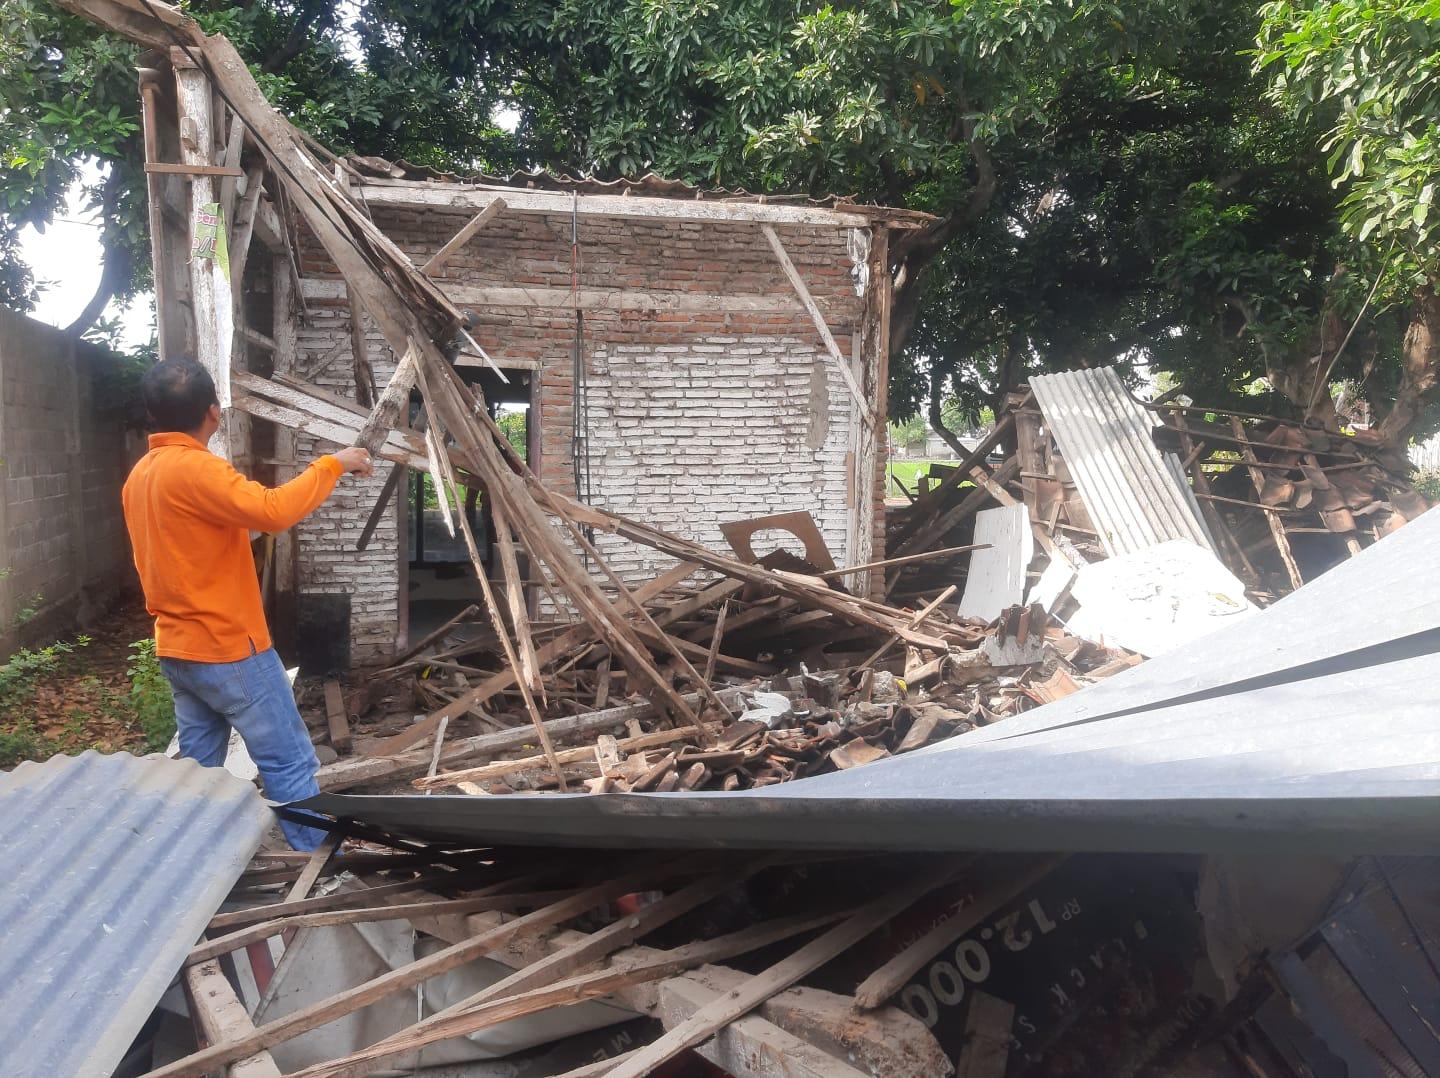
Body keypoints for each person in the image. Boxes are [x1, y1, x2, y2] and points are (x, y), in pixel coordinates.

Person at [122, 359, 374, 849]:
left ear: (152, 414)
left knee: (198, 766)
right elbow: (273, 512)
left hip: (179, 650)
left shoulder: (141, 476)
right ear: (214, 413)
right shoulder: (196, 469)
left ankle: (194, 857)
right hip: (229, 649)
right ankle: (318, 865)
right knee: (289, 759)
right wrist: (333, 464)